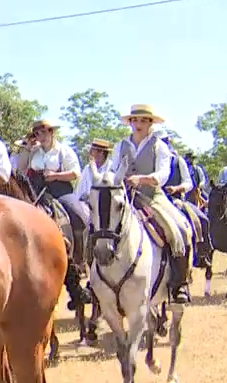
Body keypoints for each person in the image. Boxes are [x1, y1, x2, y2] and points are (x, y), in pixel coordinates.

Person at [110, 104, 193, 303]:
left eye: (144, 120)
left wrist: (142, 179)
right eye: (135, 120)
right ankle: (95, 281)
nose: (139, 124)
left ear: (150, 123)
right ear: (130, 123)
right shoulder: (120, 146)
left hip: (152, 197)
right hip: (124, 197)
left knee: (180, 229)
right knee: (97, 227)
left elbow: (163, 175)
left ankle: (179, 284)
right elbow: (112, 171)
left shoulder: (159, 146)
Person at [27, 119, 89, 265]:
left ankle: (79, 258)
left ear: (51, 132)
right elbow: (23, 170)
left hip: (60, 190)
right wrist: (27, 150)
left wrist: (55, 176)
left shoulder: (64, 151)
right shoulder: (34, 153)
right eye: (36, 134)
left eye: (43, 132)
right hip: (36, 191)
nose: (40, 137)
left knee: (78, 216)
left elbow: (75, 173)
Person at [75, 138, 113, 203]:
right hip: (86, 205)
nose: (90, 154)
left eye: (92, 151)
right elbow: (79, 191)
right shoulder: (87, 168)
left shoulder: (112, 168)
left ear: (101, 153)